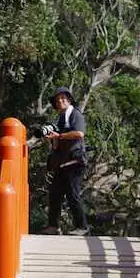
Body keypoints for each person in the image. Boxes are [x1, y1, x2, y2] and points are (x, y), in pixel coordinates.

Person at [43, 87, 89, 236]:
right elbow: (57, 146)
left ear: (69, 100)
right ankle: (53, 226)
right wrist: (53, 139)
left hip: (74, 162)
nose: (60, 101)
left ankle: (82, 227)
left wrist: (60, 135)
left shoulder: (75, 114)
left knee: (73, 195)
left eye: (63, 98)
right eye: (57, 100)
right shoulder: (59, 119)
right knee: (54, 195)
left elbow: (79, 133)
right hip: (61, 163)